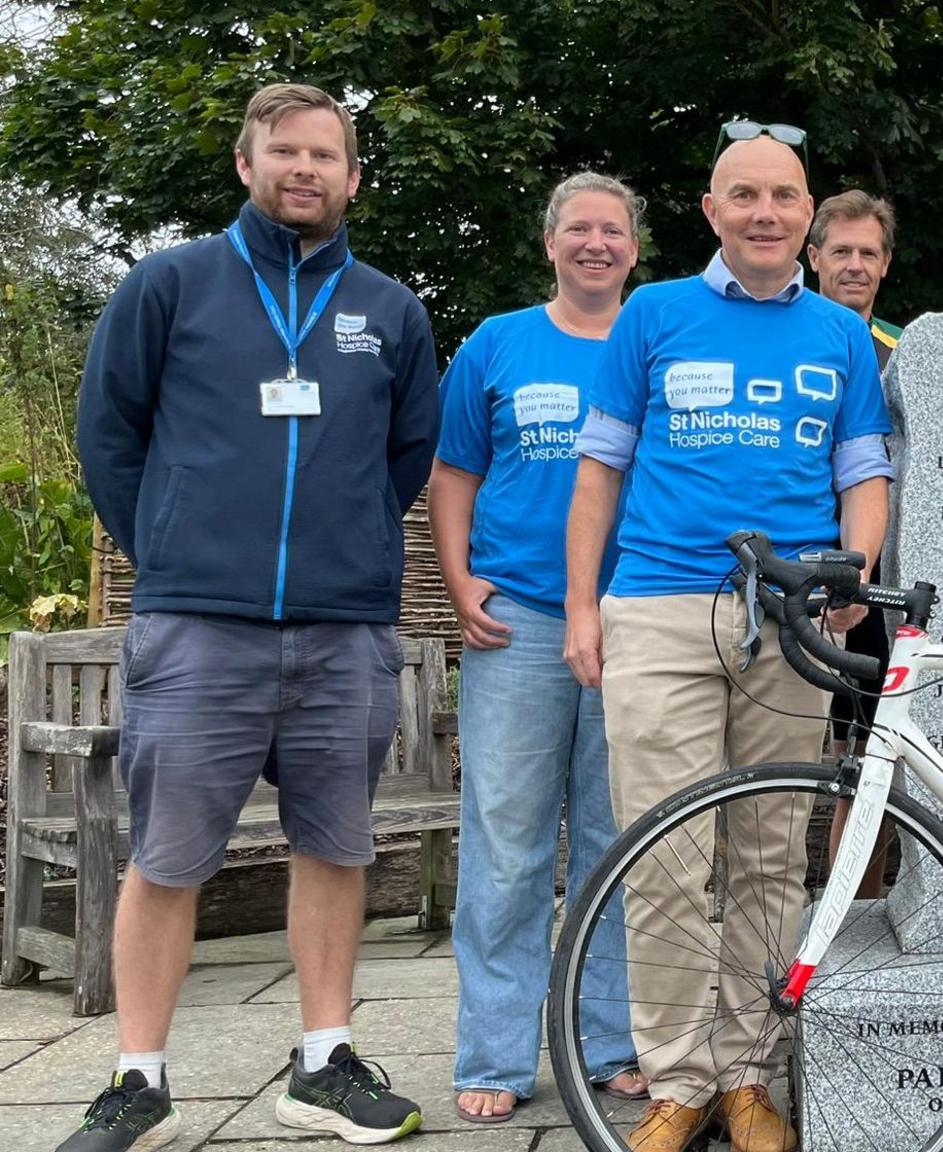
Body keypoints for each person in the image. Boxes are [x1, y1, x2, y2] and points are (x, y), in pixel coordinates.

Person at [70, 82, 437, 1150]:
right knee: (169, 855)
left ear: (353, 177)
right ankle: (139, 1076)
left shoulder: (389, 310)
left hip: (343, 630)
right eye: (285, 151)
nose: (304, 170)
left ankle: (323, 1062)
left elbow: (403, 456)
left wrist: (348, 552)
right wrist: (175, 549)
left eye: (326, 155)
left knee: (335, 846)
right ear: (247, 162)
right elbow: (110, 434)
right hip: (198, 626)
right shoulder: (170, 284)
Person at [563, 122, 893, 1152]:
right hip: (660, 607)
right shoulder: (653, 315)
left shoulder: (838, 334)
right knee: (662, 854)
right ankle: (677, 1080)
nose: (763, 213)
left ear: (805, 214)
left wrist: (855, 573)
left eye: (782, 197)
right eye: (742, 195)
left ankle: (749, 1076)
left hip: (790, 616)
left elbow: (863, 474)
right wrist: (582, 607)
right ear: (711, 211)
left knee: (762, 857)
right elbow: (599, 472)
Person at [430, 173, 649, 1124]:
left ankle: (607, 1040)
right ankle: (494, 1051)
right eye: (578, 229)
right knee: (508, 845)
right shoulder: (497, 343)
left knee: (616, 841)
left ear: (635, 249)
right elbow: (453, 471)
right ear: (549, 242)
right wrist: (457, 576)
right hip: (516, 618)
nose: (595, 243)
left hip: (633, 620)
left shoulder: (655, 340)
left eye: (612, 230)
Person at [806, 190, 902, 774]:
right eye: (841, 250)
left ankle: (869, 870)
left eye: (868, 252)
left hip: (878, 577)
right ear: (813, 256)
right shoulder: (786, 338)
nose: (855, 265)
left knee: (870, 755)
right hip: (802, 565)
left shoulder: (910, 353)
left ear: (886, 263)